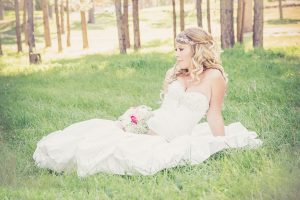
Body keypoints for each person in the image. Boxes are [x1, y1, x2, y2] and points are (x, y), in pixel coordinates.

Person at [33, 27, 262, 177]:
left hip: (169, 138)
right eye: (175, 49)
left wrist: (220, 142)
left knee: (122, 153)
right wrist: (139, 120)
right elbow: (165, 108)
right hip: (149, 127)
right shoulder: (174, 72)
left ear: (197, 49)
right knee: (99, 139)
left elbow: (213, 114)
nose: (176, 54)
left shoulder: (214, 77)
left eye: (181, 49)